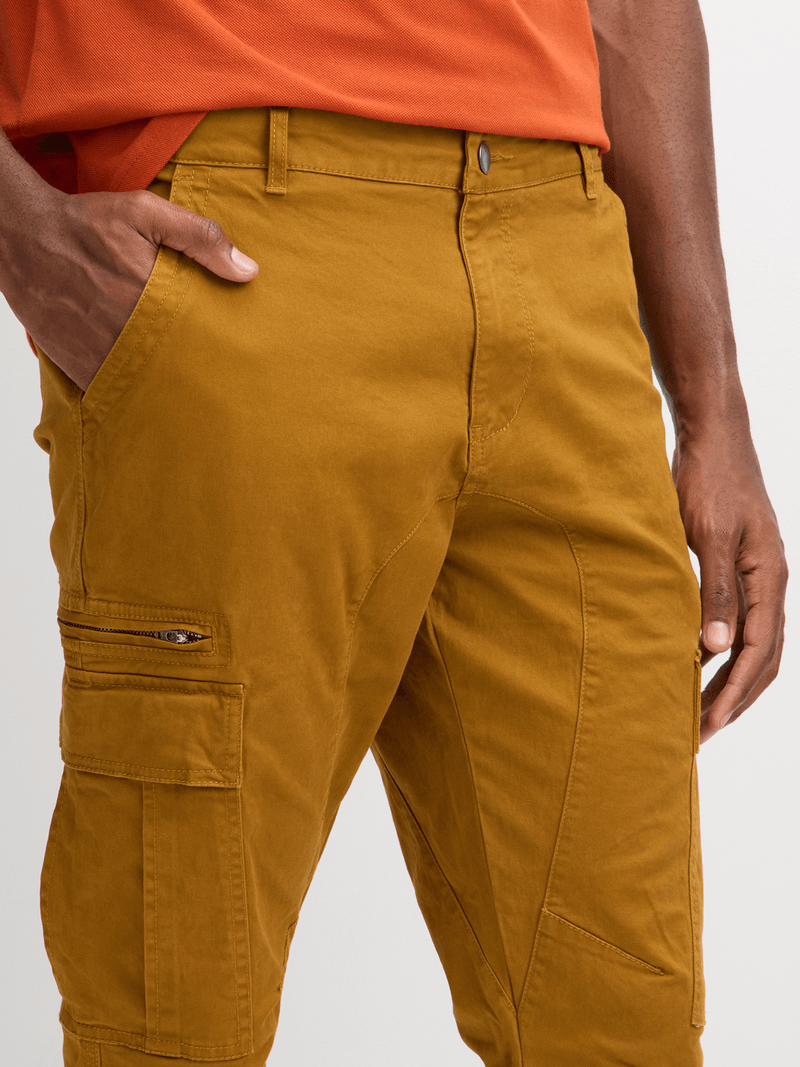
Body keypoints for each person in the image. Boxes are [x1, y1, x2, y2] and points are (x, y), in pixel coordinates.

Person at [0, 1, 787, 1064]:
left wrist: (714, 409)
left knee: (621, 1023)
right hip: (241, 242)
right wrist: (21, 229)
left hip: (565, 255)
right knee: (177, 1018)